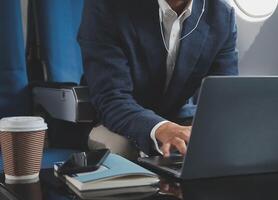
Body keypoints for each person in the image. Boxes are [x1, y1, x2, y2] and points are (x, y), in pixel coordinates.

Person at [78, 0, 238, 159]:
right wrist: (161, 128)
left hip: (177, 116)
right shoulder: (106, 5)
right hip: (114, 118)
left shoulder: (221, 15)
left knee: (228, 145)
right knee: (123, 148)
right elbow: (111, 98)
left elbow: (223, 100)